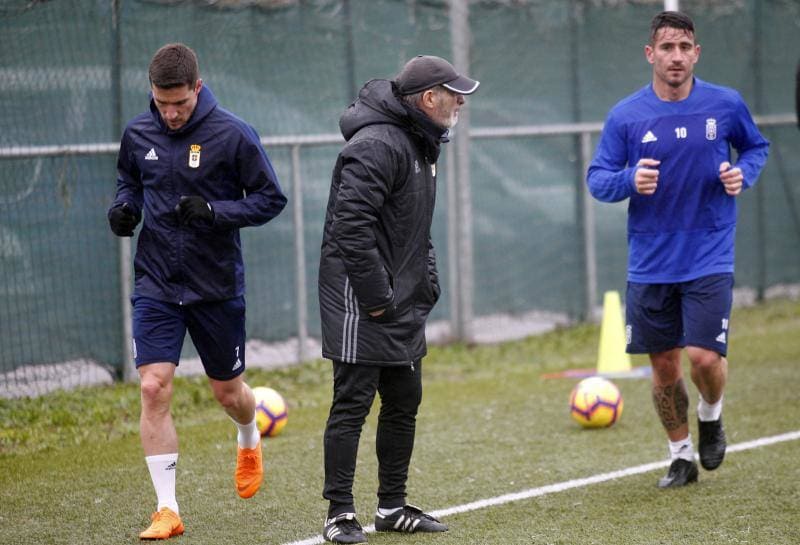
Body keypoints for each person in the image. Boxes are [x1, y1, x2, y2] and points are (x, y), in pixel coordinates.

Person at [108, 43, 287, 539]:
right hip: (157, 283)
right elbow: (129, 182)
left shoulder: (232, 134)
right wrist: (124, 210)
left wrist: (215, 213)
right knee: (152, 386)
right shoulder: (138, 131)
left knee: (228, 394)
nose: (169, 114)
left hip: (215, 286)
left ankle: (249, 437)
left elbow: (272, 199)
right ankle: (167, 510)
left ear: (198, 88)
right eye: (162, 103)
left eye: (180, 104)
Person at [587, 11, 769, 489]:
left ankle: (711, 414)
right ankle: (680, 455)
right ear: (651, 54)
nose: (676, 56)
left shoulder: (725, 104)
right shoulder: (626, 115)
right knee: (664, 366)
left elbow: (755, 147)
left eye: (684, 47)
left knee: (703, 358)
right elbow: (597, 179)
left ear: (696, 53)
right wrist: (630, 179)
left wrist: (741, 174)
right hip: (650, 261)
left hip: (709, 253)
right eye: (666, 48)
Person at [317, 55, 479, 543]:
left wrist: (424, 282)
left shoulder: (422, 143)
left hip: (401, 298)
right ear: (429, 99)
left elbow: (416, 228)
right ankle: (340, 514)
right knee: (352, 403)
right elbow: (350, 228)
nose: (461, 105)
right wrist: (378, 297)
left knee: (405, 399)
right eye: (456, 96)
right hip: (360, 299)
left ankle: (391, 506)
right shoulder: (375, 146)